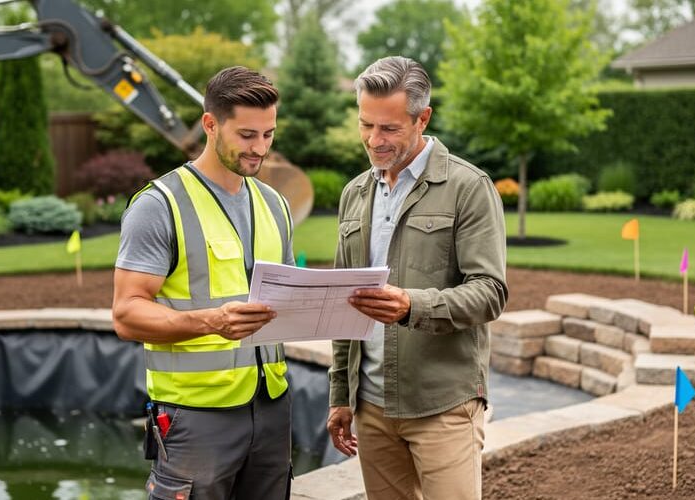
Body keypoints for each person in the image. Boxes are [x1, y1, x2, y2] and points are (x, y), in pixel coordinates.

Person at [327, 56, 508, 500]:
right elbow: (342, 302)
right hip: (369, 405)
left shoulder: (468, 186)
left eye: (389, 128)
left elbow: (490, 292)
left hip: (442, 404)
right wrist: (339, 394)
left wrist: (412, 305)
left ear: (422, 117)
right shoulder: (355, 193)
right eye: (366, 125)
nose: (374, 140)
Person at [113, 66, 295, 500]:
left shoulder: (275, 203)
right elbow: (126, 314)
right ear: (210, 124)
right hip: (194, 417)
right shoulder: (160, 204)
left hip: (271, 406)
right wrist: (211, 321)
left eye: (268, 134)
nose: (260, 148)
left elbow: (286, 296)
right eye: (247, 135)